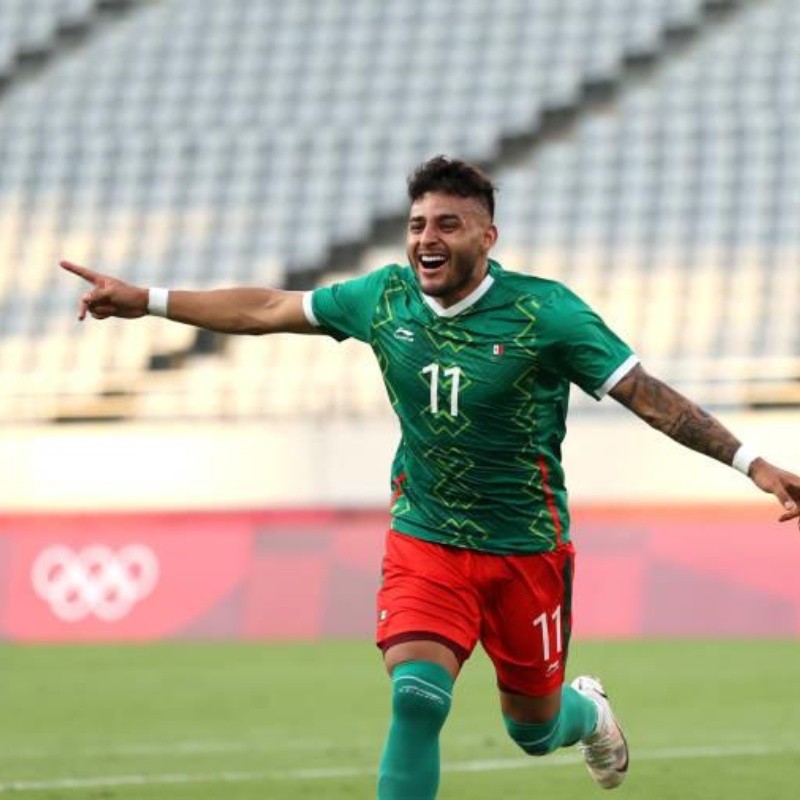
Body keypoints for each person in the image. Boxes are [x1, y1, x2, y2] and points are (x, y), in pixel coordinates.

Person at [61, 156, 800, 798]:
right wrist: (147, 301)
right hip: (427, 535)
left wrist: (751, 463)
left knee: (533, 730)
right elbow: (267, 307)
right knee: (417, 697)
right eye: (418, 224)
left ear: (487, 236)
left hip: (526, 548)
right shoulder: (383, 299)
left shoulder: (547, 314)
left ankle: (589, 714)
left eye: (447, 225)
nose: (426, 239)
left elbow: (648, 396)